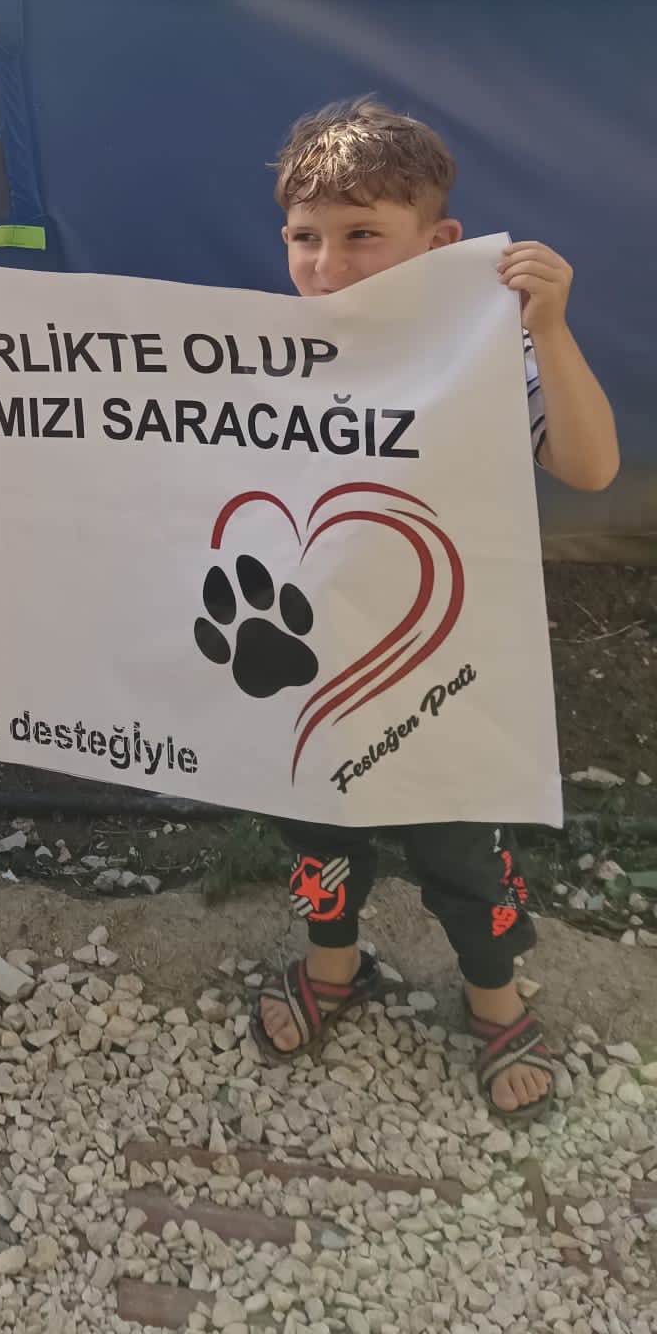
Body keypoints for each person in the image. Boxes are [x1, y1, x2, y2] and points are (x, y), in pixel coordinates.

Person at [251, 97, 618, 1123]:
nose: (328, 264)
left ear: (439, 241)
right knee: (317, 827)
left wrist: (548, 328)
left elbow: (590, 467)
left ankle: (494, 994)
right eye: (305, 237)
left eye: (363, 235)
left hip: (447, 669)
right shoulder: (260, 355)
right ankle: (334, 962)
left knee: (462, 845)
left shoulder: (488, 355)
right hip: (311, 665)